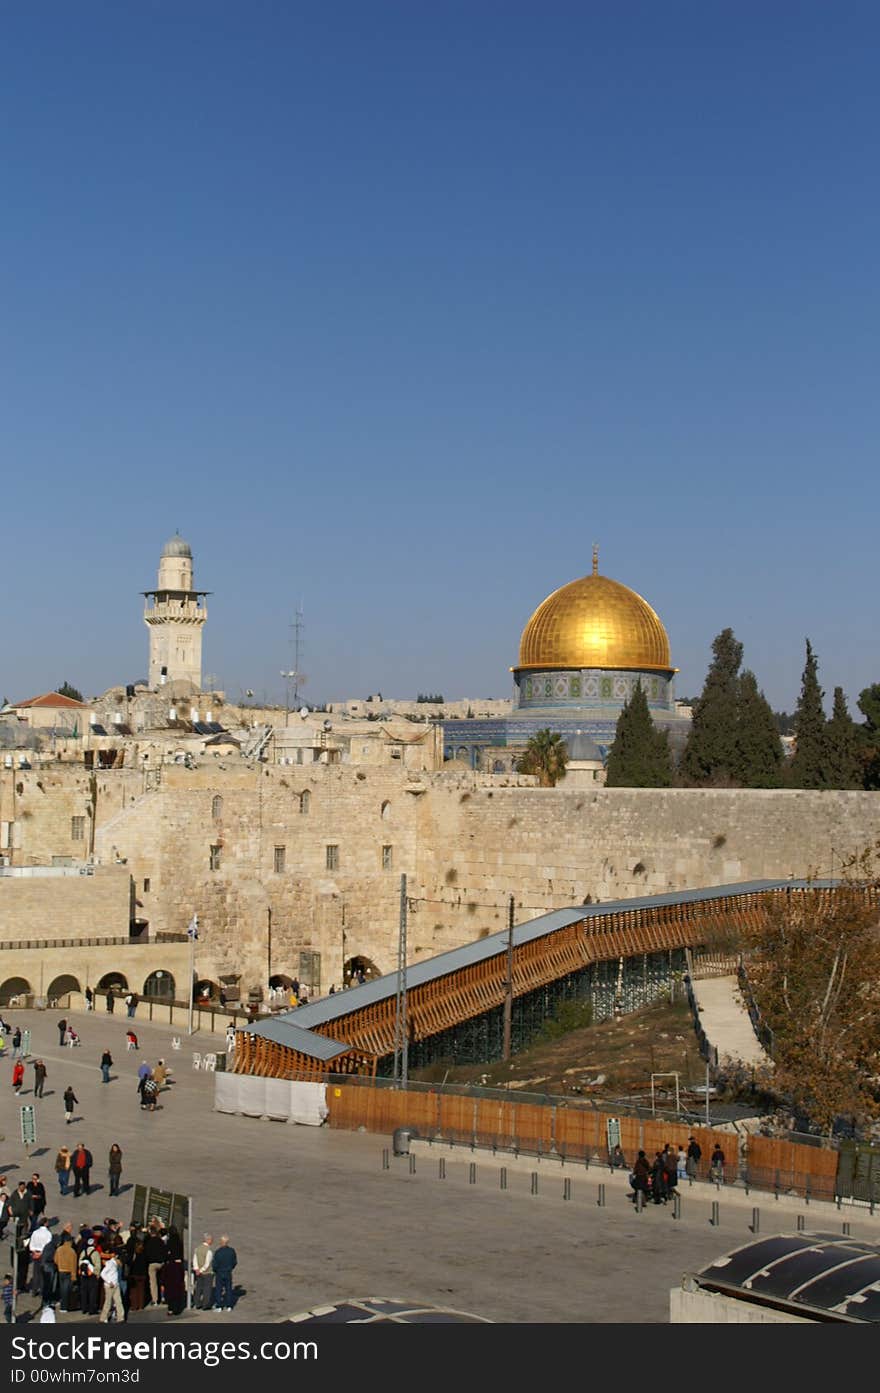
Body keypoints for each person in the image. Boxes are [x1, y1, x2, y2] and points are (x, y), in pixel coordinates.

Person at [211, 1235, 237, 1311]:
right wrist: (230, 1268)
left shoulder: (218, 1252)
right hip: (228, 1272)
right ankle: (229, 1305)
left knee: (218, 1289)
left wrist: (216, 1270)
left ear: (221, 1242)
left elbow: (215, 1264)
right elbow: (234, 1262)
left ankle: (219, 1305)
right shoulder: (231, 1251)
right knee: (229, 1289)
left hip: (219, 1272)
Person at [53, 1233, 77, 1312]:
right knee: (66, 1290)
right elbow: (73, 1264)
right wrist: (74, 1275)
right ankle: (64, 1307)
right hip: (68, 1272)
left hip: (61, 1271)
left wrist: (60, 1265)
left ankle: (62, 1304)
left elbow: (55, 1260)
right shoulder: (72, 1251)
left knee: (62, 1288)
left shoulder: (59, 1249)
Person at [99, 1252, 125, 1323]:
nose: (121, 1264)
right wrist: (109, 1281)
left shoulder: (115, 1264)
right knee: (108, 1302)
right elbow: (102, 1273)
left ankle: (121, 1318)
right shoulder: (110, 1264)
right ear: (117, 1259)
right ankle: (103, 1318)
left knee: (118, 1301)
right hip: (109, 1286)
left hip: (116, 1285)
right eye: (120, 1262)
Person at [193, 1233, 214, 1310]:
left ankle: (197, 1303)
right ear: (208, 1240)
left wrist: (196, 1269)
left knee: (198, 1288)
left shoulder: (197, 1249)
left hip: (198, 1272)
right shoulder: (209, 1251)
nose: (212, 1241)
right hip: (207, 1273)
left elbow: (195, 1259)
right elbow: (207, 1263)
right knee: (207, 1289)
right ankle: (205, 1304)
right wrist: (201, 1270)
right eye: (211, 1240)